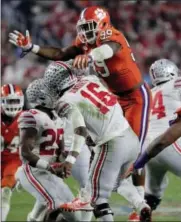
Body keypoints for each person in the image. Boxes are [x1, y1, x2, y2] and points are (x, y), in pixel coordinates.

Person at [9, 8, 152, 220]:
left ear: (102, 24)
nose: (85, 32)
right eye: (82, 28)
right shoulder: (88, 76)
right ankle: (131, 204)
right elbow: (60, 54)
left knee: (131, 161)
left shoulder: (111, 36)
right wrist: (32, 47)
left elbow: (109, 49)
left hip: (136, 97)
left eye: (89, 27)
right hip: (114, 96)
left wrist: (90, 56)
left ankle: (137, 204)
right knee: (114, 154)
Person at [42, 60, 151, 222]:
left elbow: (80, 130)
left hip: (112, 144)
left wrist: (70, 160)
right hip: (130, 138)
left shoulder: (65, 100)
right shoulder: (90, 79)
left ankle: (87, 203)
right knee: (116, 183)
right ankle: (141, 205)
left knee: (95, 199)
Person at [15, 78, 81, 222]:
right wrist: (50, 168)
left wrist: (65, 163)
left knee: (75, 215)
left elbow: (60, 150)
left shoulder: (57, 117)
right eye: (52, 91)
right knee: (55, 206)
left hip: (50, 172)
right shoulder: (31, 115)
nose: (57, 94)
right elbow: (25, 153)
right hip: (34, 171)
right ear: (42, 96)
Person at [124, 59, 181, 214]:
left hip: (148, 150)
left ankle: (137, 216)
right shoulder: (176, 83)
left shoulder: (149, 93)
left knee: (151, 197)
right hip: (169, 142)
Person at [1, 84, 24, 221]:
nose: (13, 105)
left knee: (5, 193)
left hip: (13, 162)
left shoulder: (28, 118)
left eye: (15, 101)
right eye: (9, 101)